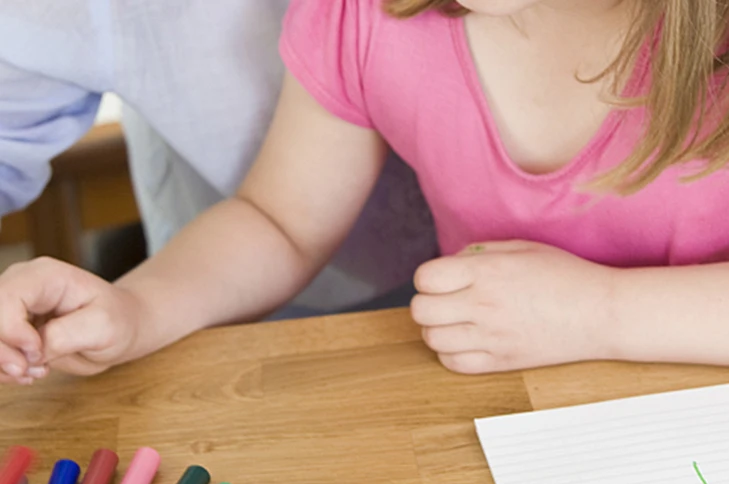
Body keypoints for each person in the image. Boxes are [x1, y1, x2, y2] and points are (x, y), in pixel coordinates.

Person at [0, 0, 729, 385]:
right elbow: (278, 220)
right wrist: (139, 306)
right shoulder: (364, 15)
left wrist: (598, 311)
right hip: (532, 425)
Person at [0, 0, 437, 355]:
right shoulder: (343, 21)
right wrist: (135, 310)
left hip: (471, 308)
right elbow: (279, 223)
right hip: (236, 291)